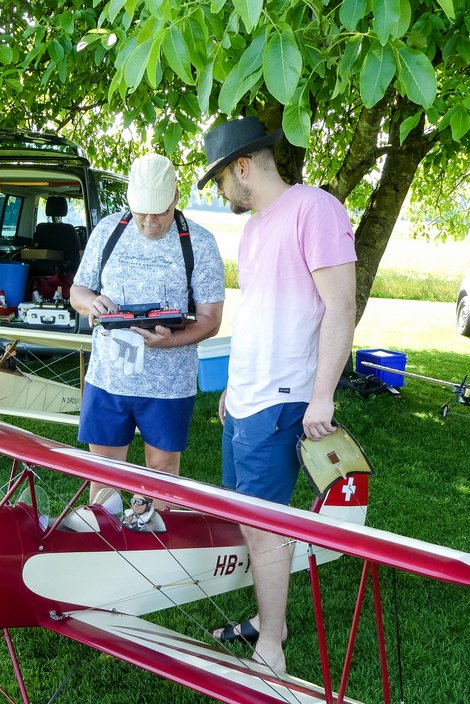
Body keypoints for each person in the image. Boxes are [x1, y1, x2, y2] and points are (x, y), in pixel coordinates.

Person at [197, 117, 357, 673]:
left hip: (284, 398)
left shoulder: (316, 209)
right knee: (245, 516)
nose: (221, 191)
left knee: (266, 524)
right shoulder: (256, 226)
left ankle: (271, 651)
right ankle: (272, 620)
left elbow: (340, 306)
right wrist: (232, 385)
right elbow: (258, 313)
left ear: (242, 167)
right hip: (245, 397)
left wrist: (323, 397)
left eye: (219, 178)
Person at [70, 153, 225, 518]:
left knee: (163, 475)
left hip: (168, 384)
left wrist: (169, 340)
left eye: (159, 211)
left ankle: (157, 548)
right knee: (104, 475)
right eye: (141, 211)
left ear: (175, 197)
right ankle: (104, 545)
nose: (150, 221)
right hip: (109, 377)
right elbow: (78, 290)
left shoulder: (199, 243)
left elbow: (211, 319)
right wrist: (91, 303)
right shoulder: (108, 230)